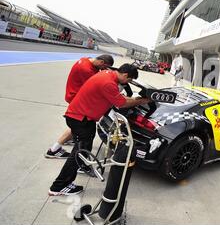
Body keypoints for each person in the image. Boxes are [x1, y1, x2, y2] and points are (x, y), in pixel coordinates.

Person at [48, 64, 150, 196]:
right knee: (78, 153)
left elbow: (117, 97)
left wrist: (133, 98)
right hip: (81, 119)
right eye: (129, 81)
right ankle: (58, 186)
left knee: (83, 149)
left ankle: (79, 167)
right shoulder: (108, 83)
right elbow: (122, 103)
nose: (128, 83)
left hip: (82, 117)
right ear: (125, 75)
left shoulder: (107, 74)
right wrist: (141, 101)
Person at [45, 55, 114, 159]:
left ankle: (70, 139)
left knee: (78, 126)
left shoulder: (85, 60)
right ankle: (54, 149)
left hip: (73, 93)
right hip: (76, 97)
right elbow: (97, 85)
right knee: (80, 124)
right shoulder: (87, 70)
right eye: (103, 67)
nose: (103, 69)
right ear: (101, 61)